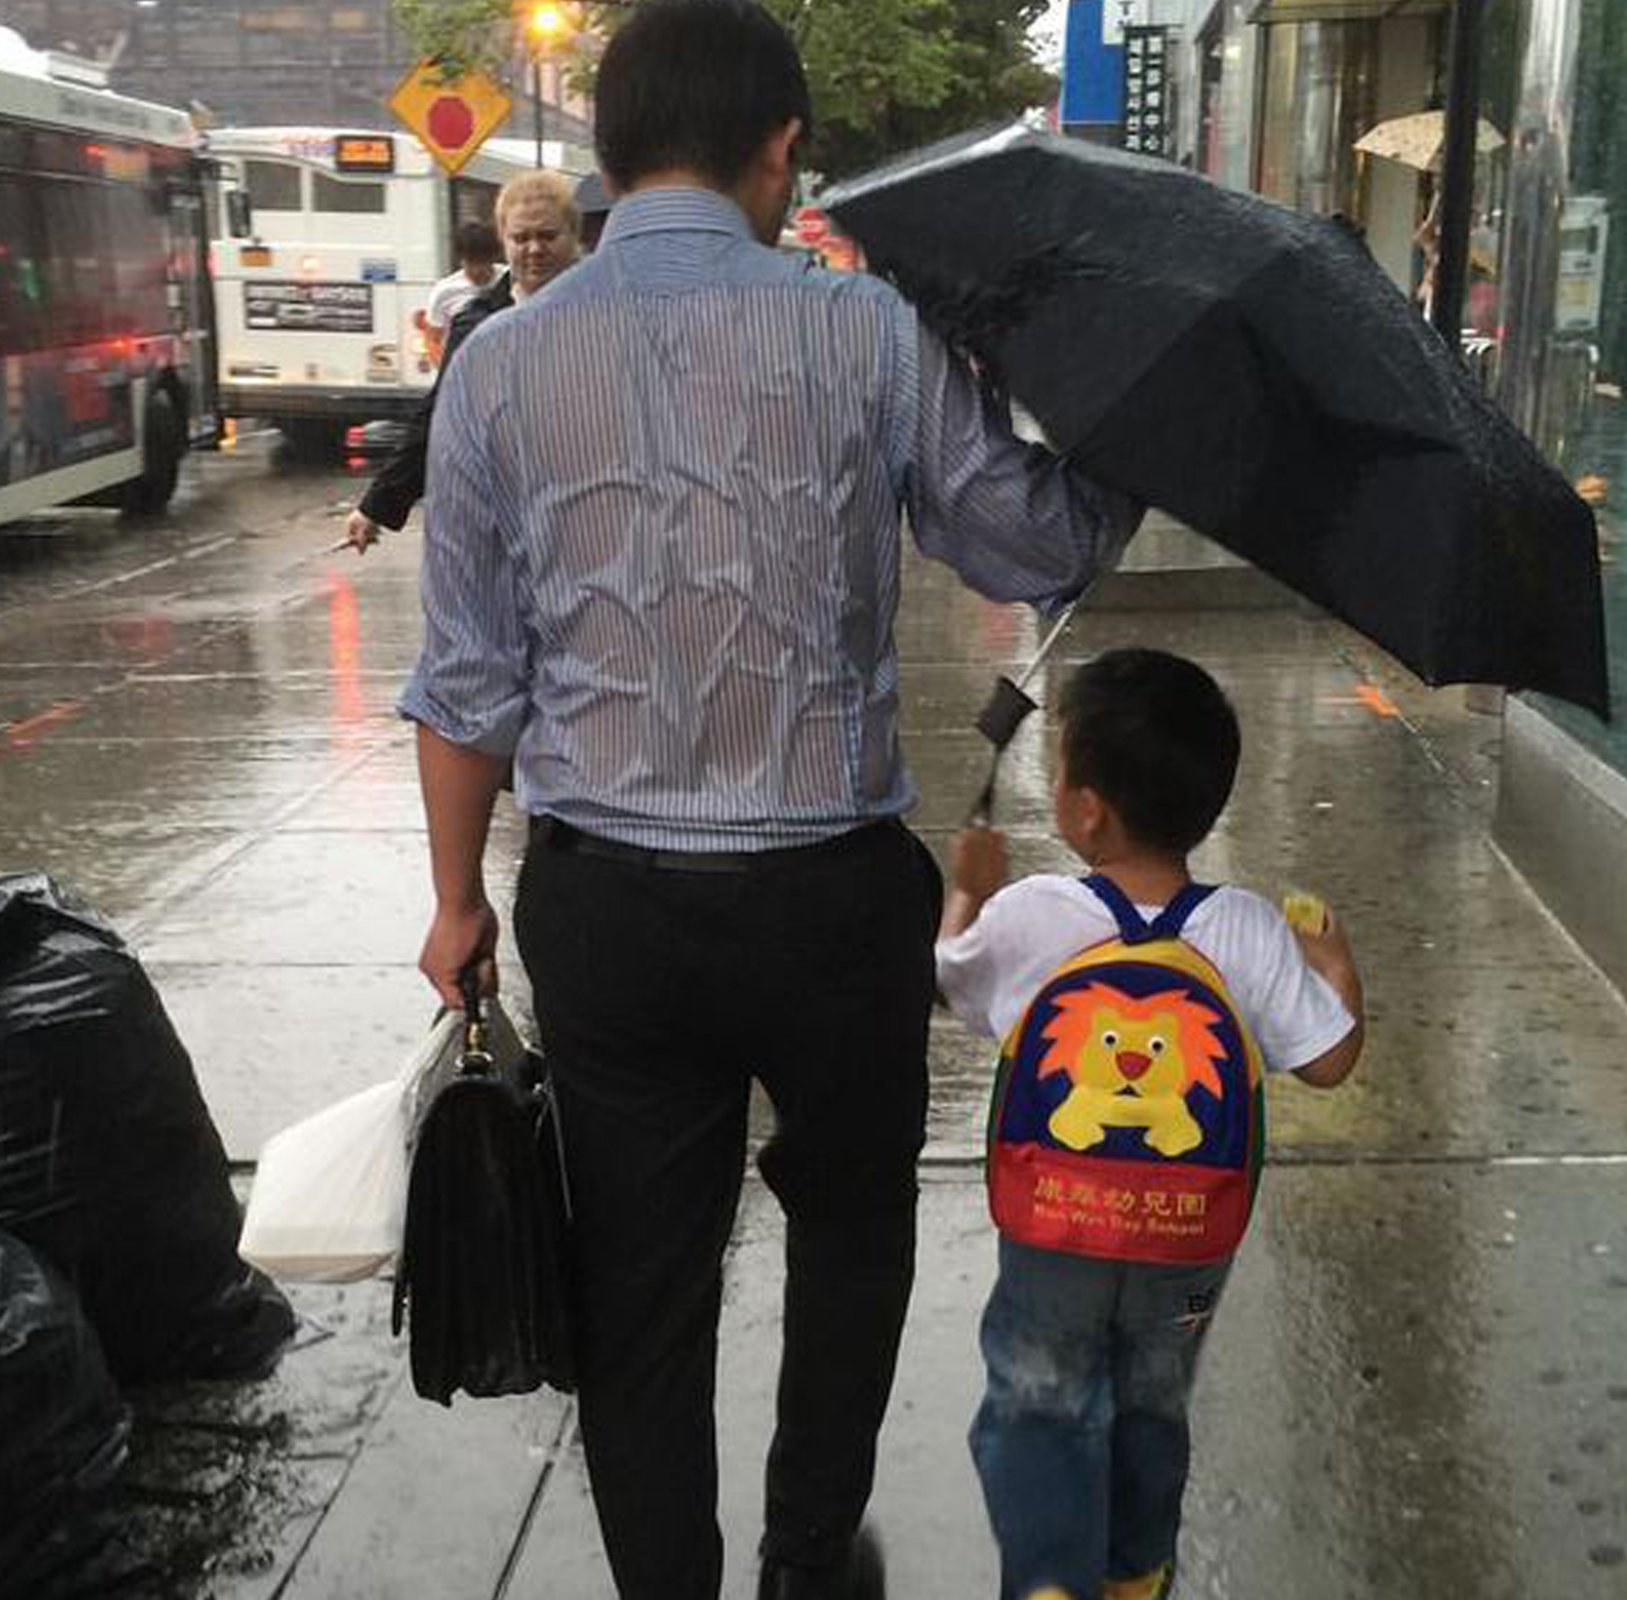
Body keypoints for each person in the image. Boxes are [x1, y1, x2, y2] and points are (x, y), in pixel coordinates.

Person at [398, 2, 1139, 1596]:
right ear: (780, 148)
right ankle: (810, 1561)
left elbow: (467, 686)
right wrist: (1115, 437)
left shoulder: (501, 365)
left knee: (640, 1285)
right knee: (853, 1237)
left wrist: (457, 902)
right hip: (828, 907)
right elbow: (1032, 549)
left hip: (608, 912)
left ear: (606, 157)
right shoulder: (868, 336)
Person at [936, 649, 1364, 1600]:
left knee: (1041, 1395)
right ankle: (1135, 1572)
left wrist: (967, 885)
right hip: (1186, 1239)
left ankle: (1049, 1578)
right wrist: (1333, 964)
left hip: (1056, 1225)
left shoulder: (1033, 913)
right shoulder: (1248, 928)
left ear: (1086, 811)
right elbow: (1330, 1060)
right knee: (1152, 1401)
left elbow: (952, 976)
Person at [340, 170, 582, 553]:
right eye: (521, 238)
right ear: (504, 241)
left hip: (589, 518)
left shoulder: (607, 313)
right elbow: (439, 416)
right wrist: (377, 506)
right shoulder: (476, 323)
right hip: (503, 521)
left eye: (548, 236)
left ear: (574, 236)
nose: (534, 249)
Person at [420, 219, 505, 368]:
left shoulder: (510, 279)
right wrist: (446, 371)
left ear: (493, 257)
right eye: (471, 262)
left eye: (483, 262)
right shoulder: (445, 291)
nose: (477, 270)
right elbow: (432, 339)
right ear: (461, 259)